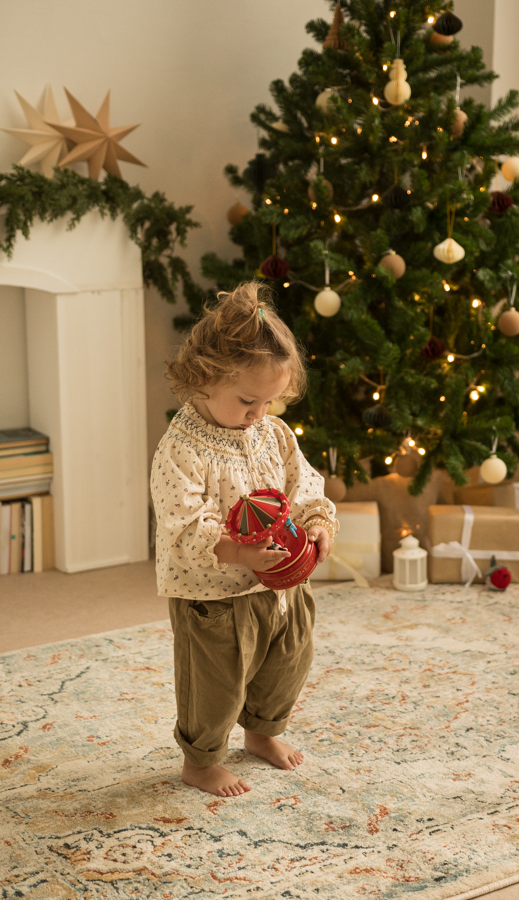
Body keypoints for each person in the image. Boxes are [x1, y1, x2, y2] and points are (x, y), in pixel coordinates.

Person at [151, 281, 339, 798]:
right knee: (214, 681)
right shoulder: (181, 451)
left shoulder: (272, 433)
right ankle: (202, 760)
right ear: (203, 379)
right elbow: (185, 525)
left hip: (280, 582)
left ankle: (262, 731)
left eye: (270, 401)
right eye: (248, 400)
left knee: (288, 659)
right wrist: (238, 551)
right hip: (213, 596)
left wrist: (319, 523)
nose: (259, 412)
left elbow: (303, 485)